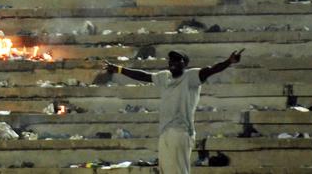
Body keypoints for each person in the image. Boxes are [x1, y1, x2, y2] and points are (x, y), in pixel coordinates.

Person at [104, 48, 243, 174]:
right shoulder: (164, 76)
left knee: (179, 170)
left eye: (178, 60)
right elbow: (144, 76)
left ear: (185, 64)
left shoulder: (191, 77)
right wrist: (120, 69)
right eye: (171, 59)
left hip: (181, 131)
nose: (173, 62)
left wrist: (228, 61)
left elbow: (211, 69)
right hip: (164, 131)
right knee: (165, 170)